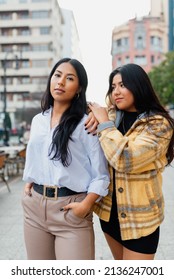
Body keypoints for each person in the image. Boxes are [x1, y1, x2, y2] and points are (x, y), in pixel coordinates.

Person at [22, 57, 110, 260]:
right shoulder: (38, 120)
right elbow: (36, 157)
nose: (60, 82)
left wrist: (86, 205)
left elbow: (101, 175)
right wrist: (29, 182)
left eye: (69, 78)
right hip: (34, 210)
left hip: (70, 210)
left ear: (79, 88)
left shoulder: (86, 124)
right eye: (57, 75)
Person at [86, 63, 174, 260]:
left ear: (138, 86)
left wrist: (105, 125)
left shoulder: (159, 124)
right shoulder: (111, 116)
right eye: (113, 86)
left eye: (122, 85)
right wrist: (94, 112)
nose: (116, 91)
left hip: (141, 222)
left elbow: (127, 159)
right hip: (109, 216)